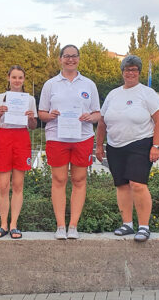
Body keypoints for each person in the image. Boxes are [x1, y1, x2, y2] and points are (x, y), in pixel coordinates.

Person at [95, 54, 159, 242]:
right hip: (115, 145)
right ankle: (127, 224)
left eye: (134, 70)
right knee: (122, 185)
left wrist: (156, 146)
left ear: (139, 72)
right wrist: (99, 146)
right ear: (122, 72)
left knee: (137, 184)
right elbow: (102, 122)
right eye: (127, 70)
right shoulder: (113, 94)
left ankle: (144, 226)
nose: (130, 73)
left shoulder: (147, 93)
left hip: (140, 143)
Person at [38, 45, 100, 240]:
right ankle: (60, 226)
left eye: (74, 56)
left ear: (79, 59)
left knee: (79, 180)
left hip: (82, 137)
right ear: (60, 59)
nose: (70, 60)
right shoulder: (50, 84)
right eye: (67, 56)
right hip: (57, 137)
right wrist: (51, 115)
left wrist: (90, 117)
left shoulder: (89, 84)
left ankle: (73, 225)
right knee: (59, 180)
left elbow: (98, 113)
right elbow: (41, 113)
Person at [0, 65, 38, 239]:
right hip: (4, 137)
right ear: (9, 78)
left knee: (18, 185)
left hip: (21, 138)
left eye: (20, 78)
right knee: (3, 186)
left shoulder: (29, 99)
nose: (17, 81)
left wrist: (31, 118)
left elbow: (33, 126)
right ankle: (3, 224)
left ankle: (13, 225)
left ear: (24, 80)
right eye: (14, 77)